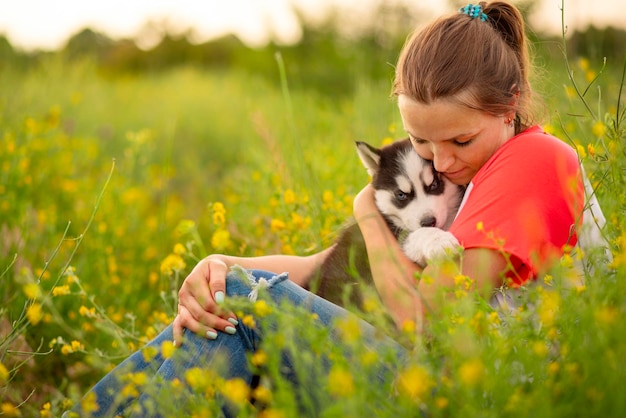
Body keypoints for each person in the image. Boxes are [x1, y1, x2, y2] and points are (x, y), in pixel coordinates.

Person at [65, 2, 595, 416]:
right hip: (438, 386)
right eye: (422, 142)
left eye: (459, 139)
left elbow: (423, 318)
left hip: (483, 401)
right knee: (233, 299)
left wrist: (366, 208)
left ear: (513, 103)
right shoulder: (469, 180)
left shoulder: (534, 158)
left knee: (249, 305)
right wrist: (222, 266)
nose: (442, 161)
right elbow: (322, 268)